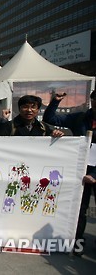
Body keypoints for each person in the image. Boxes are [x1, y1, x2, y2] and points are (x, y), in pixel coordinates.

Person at [42, 90, 96, 256]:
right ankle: (76, 241)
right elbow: (50, 119)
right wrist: (55, 102)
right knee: (80, 209)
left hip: (94, 172)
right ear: (92, 101)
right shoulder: (79, 118)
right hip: (81, 173)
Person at [0, 95, 64, 137]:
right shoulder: (9, 126)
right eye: (25, 107)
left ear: (38, 109)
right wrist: (2, 120)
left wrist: (56, 134)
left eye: (33, 107)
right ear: (19, 109)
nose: (29, 110)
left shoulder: (43, 127)